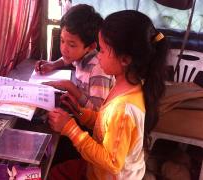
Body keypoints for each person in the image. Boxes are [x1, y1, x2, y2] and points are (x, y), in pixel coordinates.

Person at [47, 10, 168, 180]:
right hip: (97, 168)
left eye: (102, 51)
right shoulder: (124, 85)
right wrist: (79, 113)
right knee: (56, 171)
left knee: (53, 173)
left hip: (107, 174)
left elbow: (111, 162)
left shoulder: (124, 109)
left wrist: (70, 128)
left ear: (125, 60)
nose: (98, 56)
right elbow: (105, 124)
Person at [35, 4, 113, 111]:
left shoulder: (98, 71)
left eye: (71, 45)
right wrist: (53, 65)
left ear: (90, 47)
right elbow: (66, 59)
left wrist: (70, 87)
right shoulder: (80, 56)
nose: (64, 49)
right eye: (62, 40)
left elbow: (97, 112)